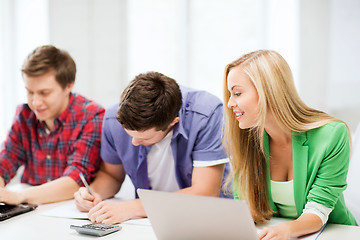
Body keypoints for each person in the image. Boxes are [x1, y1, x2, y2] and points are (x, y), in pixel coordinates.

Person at [223, 50, 357, 240]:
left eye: (237, 93)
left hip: (332, 234)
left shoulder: (332, 135)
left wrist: (286, 230)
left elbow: (318, 210)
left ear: (267, 90)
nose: (229, 103)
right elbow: (245, 209)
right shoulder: (246, 140)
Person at [74, 71, 230, 224]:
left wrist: (131, 208)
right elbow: (111, 175)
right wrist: (92, 193)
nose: (134, 142)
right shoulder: (112, 118)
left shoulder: (206, 114)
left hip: (202, 220)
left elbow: (205, 193)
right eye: (129, 134)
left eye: (143, 138)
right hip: (147, 222)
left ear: (172, 123)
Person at [0, 45, 104, 205]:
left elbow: (76, 179)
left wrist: (19, 196)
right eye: (30, 92)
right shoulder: (24, 114)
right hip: (33, 211)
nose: (35, 102)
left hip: (71, 208)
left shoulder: (92, 116)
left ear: (68, 85)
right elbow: (7, 159)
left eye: (44, 93)